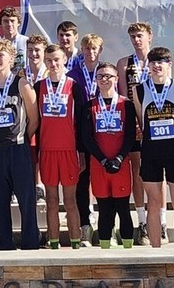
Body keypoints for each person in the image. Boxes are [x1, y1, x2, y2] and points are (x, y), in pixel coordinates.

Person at [0, 39, 39, 250]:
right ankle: (5, 244)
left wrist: (20, 137)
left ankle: (30, 244)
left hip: (18, 148)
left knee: (26, 200)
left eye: (0, 55)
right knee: (0, 202)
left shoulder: (21, 84)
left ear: (11, 59)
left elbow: (34, 118)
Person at [132, 47, 174, 248]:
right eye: (153, 62)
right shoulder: (138, 90)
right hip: (150, 153)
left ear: (169, 65)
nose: (157, 66)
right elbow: (141, 120)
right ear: (148, 66)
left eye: (161, 62)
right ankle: (155, 249)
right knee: (154, 204)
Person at [81, 63, 137, 249]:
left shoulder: (126, 105)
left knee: (123, 208)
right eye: (100, 76)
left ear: (116, 79)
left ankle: (128, 252)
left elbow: (130, 135)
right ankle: (105, 252)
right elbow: (87, 137)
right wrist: (104, 160)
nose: (104, 79)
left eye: (108, 76)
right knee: (104, 210)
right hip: (99, 164)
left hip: (121, 163)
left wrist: (119, 158)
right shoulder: (89, 106)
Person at [36, 44, 85, 249]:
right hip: (47, 150)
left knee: (70, 201)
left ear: (65, 59)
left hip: (69, 150)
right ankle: (53, 243)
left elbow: (82, 121)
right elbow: (35, 122)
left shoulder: (74, 85)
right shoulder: (38, 86)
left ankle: (76, 243)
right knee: (52, 201)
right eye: (49, 60)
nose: (53, 64)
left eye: (57, 59)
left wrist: (81, 152)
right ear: (44, 62)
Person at [116, 22, 156, 245]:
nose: (136, 40)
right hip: (135, 125)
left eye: (140, 35)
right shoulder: (124, 63)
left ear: (150, 36)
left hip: (157, 122)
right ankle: (142, 222)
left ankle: (159, 221)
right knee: (137, 171)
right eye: (132, 36)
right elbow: (123, 95)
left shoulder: (159, 60)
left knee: (158, 172)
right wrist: (134, 123)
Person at [65, 34, 103, 246]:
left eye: (94, 48)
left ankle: (107, 226)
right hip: (80, 134)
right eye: (87, 48)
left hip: (104, 133)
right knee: (82, 181)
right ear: (81, 50)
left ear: (100, 50)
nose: (90, 52)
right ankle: (85, 226)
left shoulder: (107, 73)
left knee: (106, 179)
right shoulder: (72, 75)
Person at [23, 35, 49, 203]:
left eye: (37, 50)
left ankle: (41, 184)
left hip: (48, 119)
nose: (33, 54)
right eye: (30, 50)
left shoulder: (51, 71)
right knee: (29, 151)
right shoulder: (20, 72)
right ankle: (32, 184)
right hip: (28, 120)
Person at [0, 6, 28, 73]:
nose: (9, 24)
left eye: (12, 21)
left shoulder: (26, 42)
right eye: (6, 21)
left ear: (18, 23)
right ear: (0, 24)